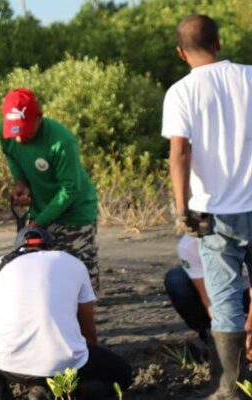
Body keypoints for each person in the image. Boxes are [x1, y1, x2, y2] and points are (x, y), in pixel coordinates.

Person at [162, 14, 252, 399]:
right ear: (219, 42)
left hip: (209, 210)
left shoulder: (180, 92)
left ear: (181, 53)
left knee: (225, 297)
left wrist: (182, 208)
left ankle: (229, 388)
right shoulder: (249, 76)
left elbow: (179, 151)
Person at [0, 228, 132, 400]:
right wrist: (86, 360)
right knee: (124, 375)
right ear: (50, 248)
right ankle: (65, 391)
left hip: (7, 365)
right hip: (64, 367)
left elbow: (4, 315)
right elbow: (88, 329)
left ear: (17, 248)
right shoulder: (74, 263)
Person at [0, 89, 99, 280]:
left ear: (39, 118)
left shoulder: (61, 141)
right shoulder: (5, 134)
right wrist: (20, 181)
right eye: (14, 131)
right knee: (41, 276)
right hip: (40, 209)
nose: (19, 138)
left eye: (25, 130)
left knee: (80, 277)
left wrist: (38, 222)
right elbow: (11, 154)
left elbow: (70, 189)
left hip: (75, 214)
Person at [164, 235, 250, 343]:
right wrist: (223, 329)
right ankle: (209, 334)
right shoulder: (189, 245)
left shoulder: (245, 233)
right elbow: (207, 298)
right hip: (220, 293)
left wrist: (249, 326)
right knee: (176, 279)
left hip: (247, 292)